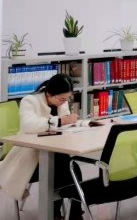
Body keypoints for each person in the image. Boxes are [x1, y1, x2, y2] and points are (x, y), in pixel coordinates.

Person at [0, 74, 83, 220]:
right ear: (49, 94)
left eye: (67, 99)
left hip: (54, 152)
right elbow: (28, 125)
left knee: (71, 167)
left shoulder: (61, 102)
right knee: (62, 167)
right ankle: (56, 214)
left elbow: (64, 123)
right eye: (62, 99)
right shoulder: (30, 101)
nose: (64, 102)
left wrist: (72, 123)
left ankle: (73, 213)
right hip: (28, 157)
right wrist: (59, 121)